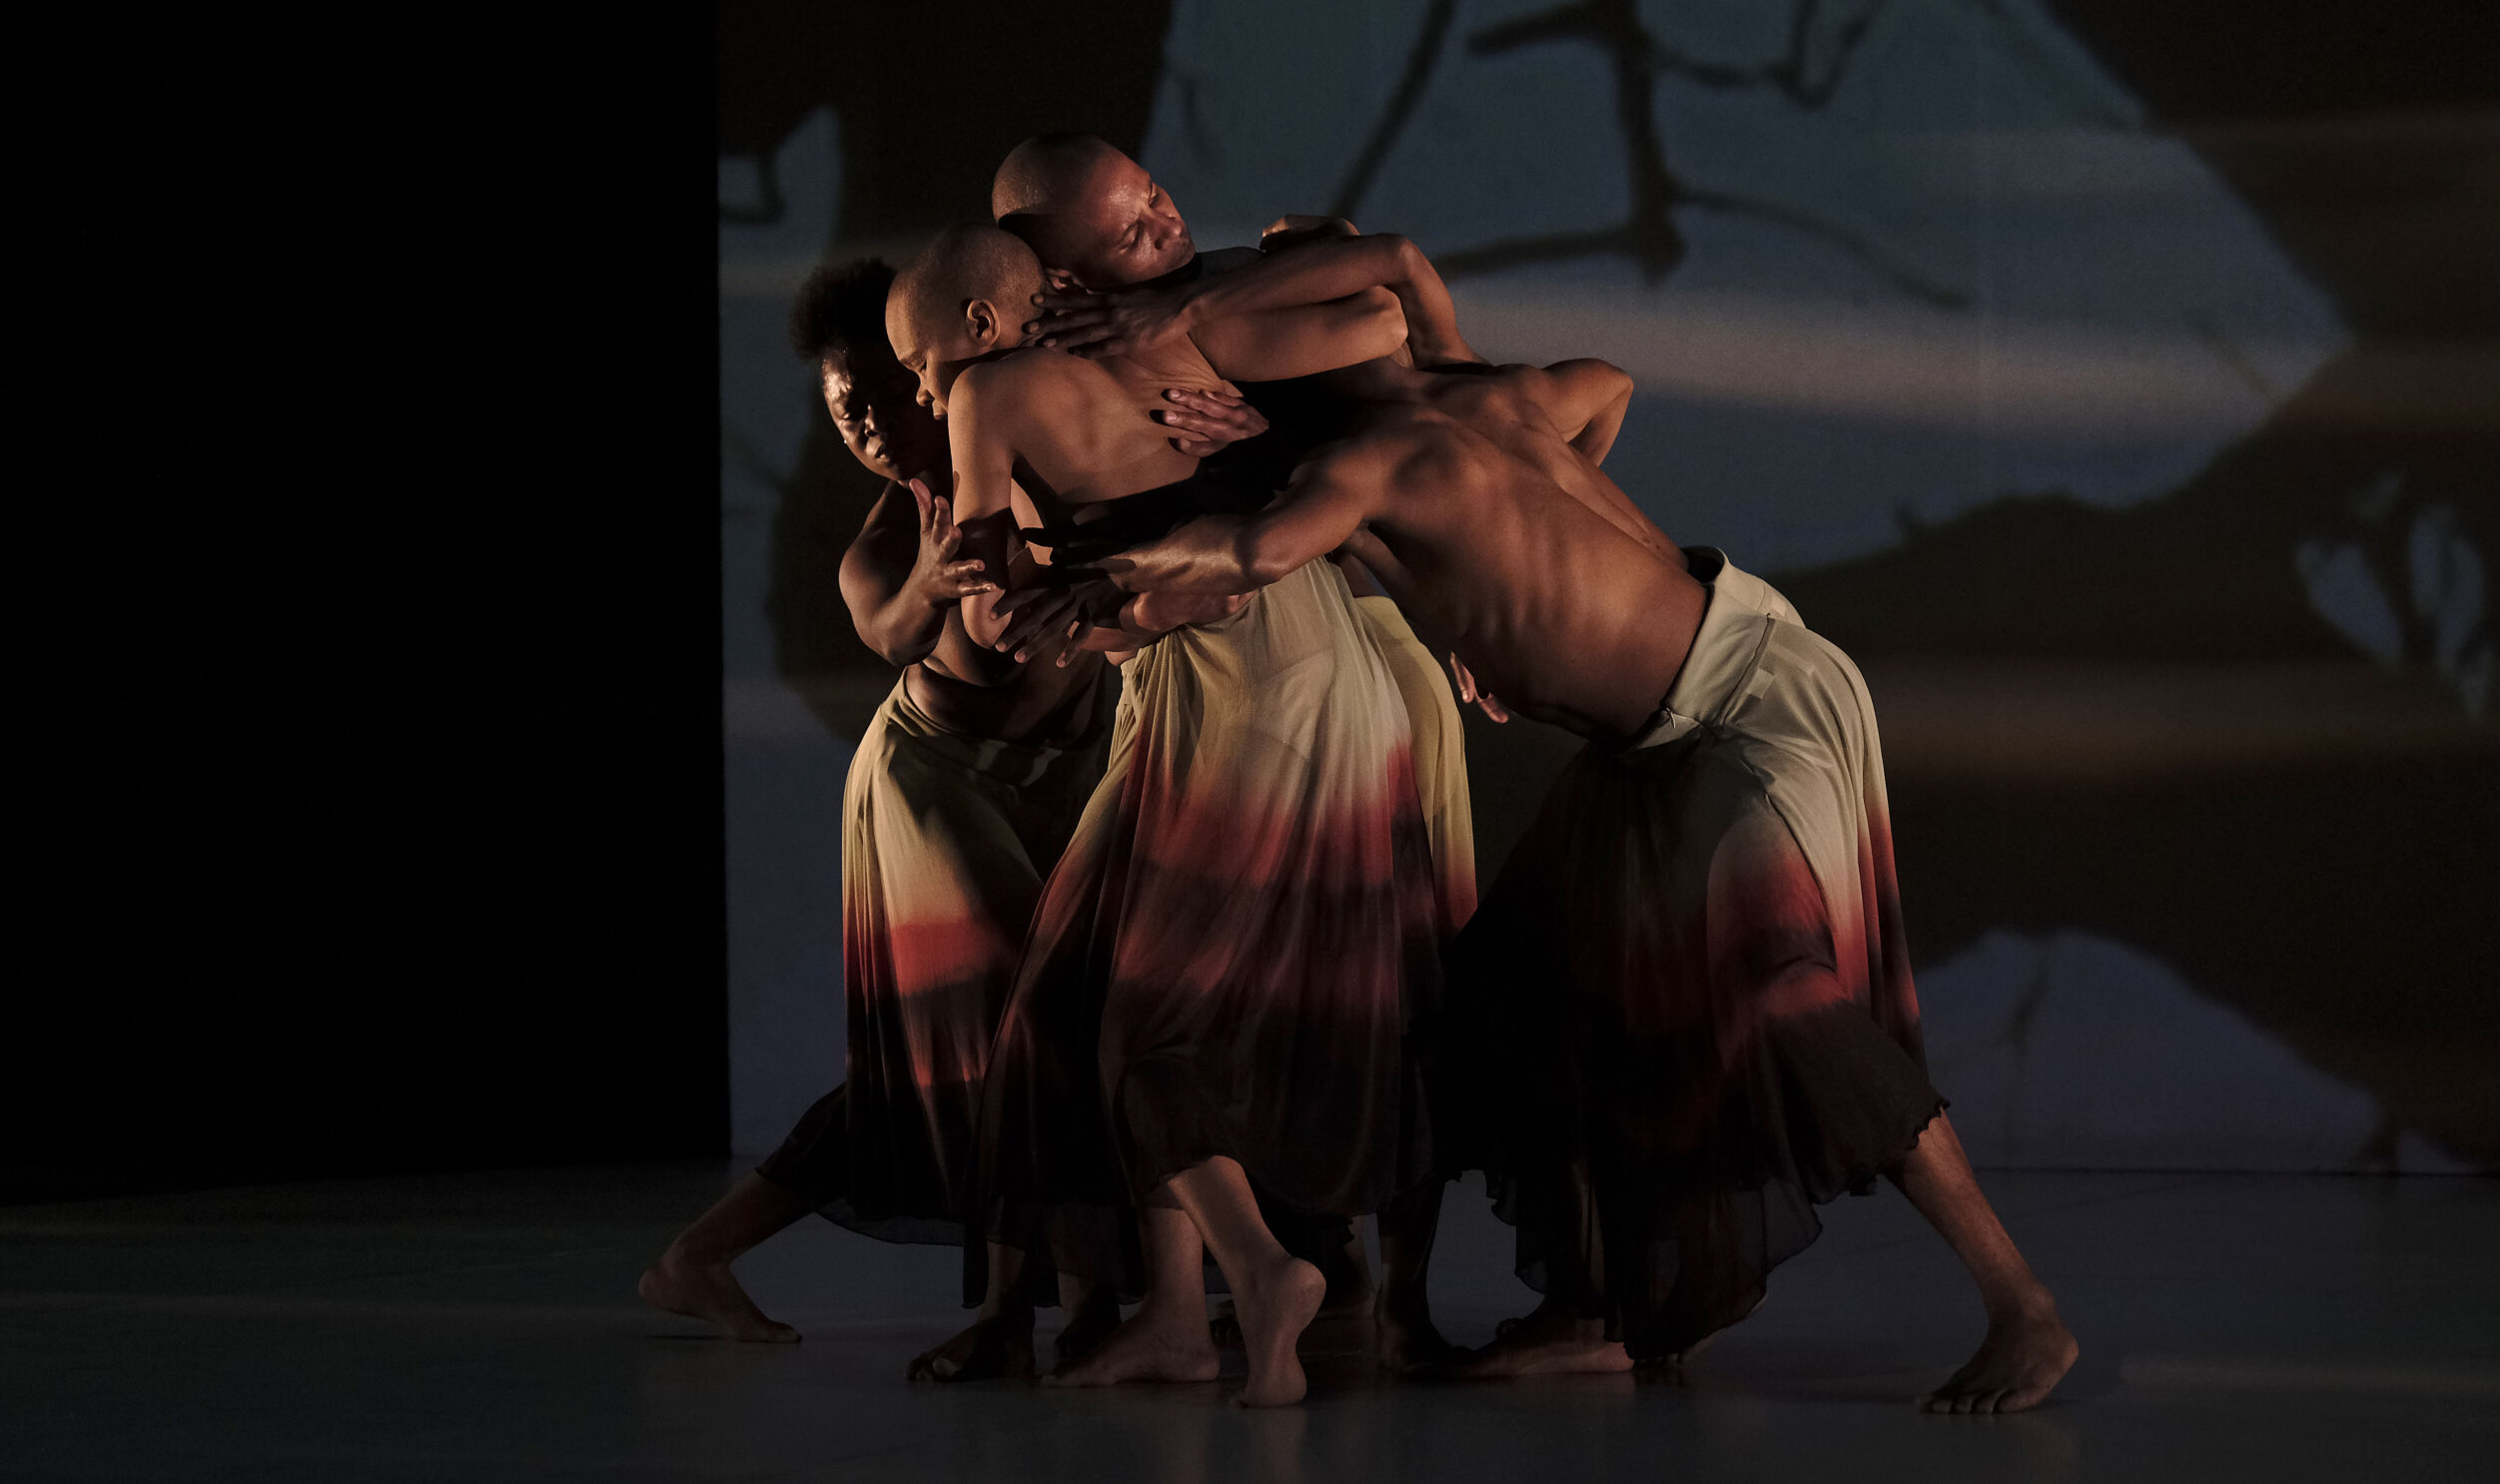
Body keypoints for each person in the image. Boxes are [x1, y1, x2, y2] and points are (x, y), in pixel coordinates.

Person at [1079, 235, 2081, 1415]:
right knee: (1510, 986)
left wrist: (1084, 567)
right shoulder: (1487, 390)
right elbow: (1610, 380)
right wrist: (1500, 609)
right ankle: (1596, 1311)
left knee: (1776, 988)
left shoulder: (1367, 465)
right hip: (1652, 742)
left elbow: (1247, 550)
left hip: (1746, 710)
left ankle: (2023, 1306)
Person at [640, 257, 1266, 1379]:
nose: (875, 425)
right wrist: (936, 581)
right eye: (847, 411)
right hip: (935, 780)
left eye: (889, 392)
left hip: (1069, 761)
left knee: (1018, 1039)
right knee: (1015, 1030)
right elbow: (881, 626)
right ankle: (1038, 1309)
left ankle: (712, 1253)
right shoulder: (900, 529)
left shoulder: (1046, 436)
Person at [888, 222, 1449, 1406]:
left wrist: (979, 584)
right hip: (1280, 651)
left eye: (917, 357)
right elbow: (1383, 318)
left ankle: (1264, 1273)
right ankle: (1182, 1311)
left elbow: (990, 608)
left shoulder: (988, 389)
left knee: (1141, 1018)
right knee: (1079, 978)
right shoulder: (1180, 331)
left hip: (1247, 682)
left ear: (982, 327)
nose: (918, 385)